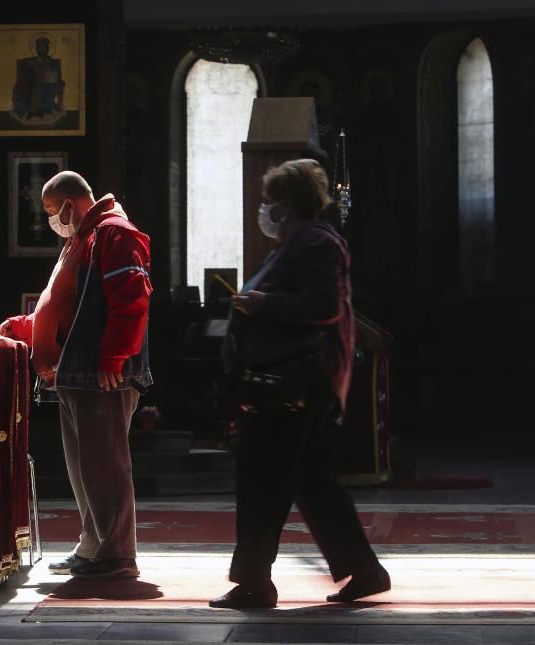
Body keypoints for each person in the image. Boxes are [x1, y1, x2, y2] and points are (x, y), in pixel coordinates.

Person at [211, 158, 390, 609]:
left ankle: (254, 582)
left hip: (295, 384)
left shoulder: (313, 240)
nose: (264, 211)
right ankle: (365, 571)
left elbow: (325, 304)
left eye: (268, 203)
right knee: (314, 483)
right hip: (301, 383)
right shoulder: (302, 241)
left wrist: (262, 303)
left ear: (287, 205)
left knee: (261, 478)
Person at [0, 171, 153, 579]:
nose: (52, 220)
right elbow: (68, 307)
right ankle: (94, 548)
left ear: (71, 203)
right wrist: (26, 326)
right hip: (75, 373)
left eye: (53, 211)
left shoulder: (115, 234)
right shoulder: (81, 238)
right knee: (85, 468)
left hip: (100, 375)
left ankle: (117, 554)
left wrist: (114, 359)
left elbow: (133, 302)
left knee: (105, 466)